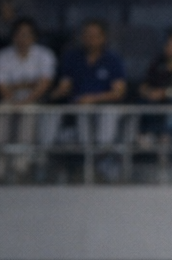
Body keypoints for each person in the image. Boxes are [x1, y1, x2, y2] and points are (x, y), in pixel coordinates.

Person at [49, 18, 126, 171]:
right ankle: (88, 159)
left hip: (105, 107)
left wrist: (93, 98)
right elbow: (65, 86)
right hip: (79, 107)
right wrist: (52, 95)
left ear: (103, 38)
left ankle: (101, 155)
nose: (89, 39)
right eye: (86, 35)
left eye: (94, 35)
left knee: (107, 117)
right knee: (80, 114)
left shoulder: (112, 59)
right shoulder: (72, 57)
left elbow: (119, 92)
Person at [0, 16, 54, 182]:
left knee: (28, 113)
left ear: (34, 37)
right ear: (13, 36)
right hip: (9, 101)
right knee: (1, 110)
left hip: (33, 101)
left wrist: (25, 97)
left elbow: (44, 84)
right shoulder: (3, 55)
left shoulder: (44, 55)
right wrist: (14, 97)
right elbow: (1, 85)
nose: (23, 38)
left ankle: (20, 164)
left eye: (27, 34)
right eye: (19, 34)